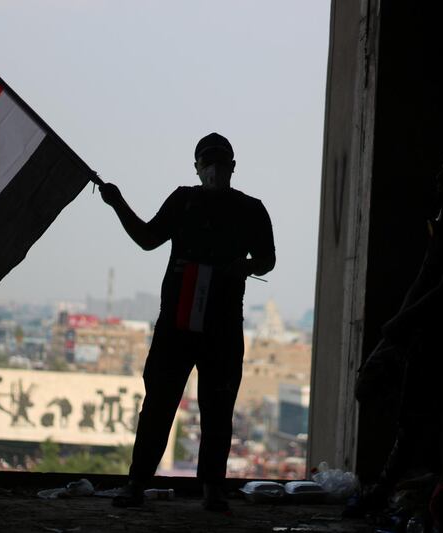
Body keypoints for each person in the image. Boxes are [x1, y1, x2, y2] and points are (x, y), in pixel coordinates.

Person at [99, 133, 276, 511]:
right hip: (179, 321)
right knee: (161, 404)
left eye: (219, 163)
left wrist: (243, 266)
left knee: (216, 407)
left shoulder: (250, 209)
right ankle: (138, 482)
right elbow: (147, 238)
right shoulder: (185, 201)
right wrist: (117, 204)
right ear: (197, 168)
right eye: (207, 163)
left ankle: (210, 487)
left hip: (220, 324)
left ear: (231, 167)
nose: (213, 170)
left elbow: (266, 259)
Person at [352, 150, 443, 519]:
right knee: (399, 409)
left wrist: (404, 321)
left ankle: (386, 487)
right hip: (414, 327)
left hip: (426, 330)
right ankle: (391, 482)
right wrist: (401, 320)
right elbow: (427, 276)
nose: (439, 179)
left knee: (409, 418)